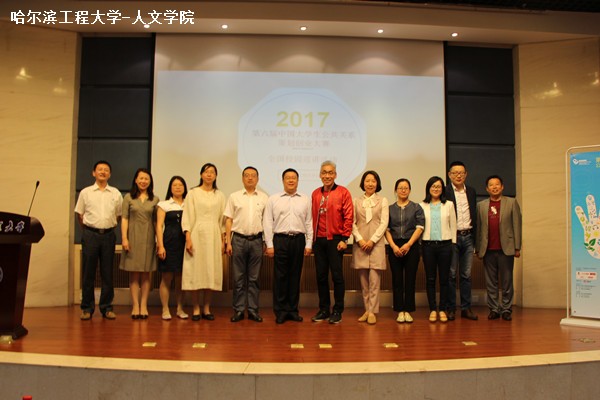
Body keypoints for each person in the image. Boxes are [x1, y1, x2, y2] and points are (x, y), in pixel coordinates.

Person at [263, 168, 313, 324]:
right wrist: (269, 244)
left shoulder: (305, 199)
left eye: (294, 178)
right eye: (288, 178)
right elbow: (267, 222)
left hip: (298, 240)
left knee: (295, 276)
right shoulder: (273, 199)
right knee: (280, 277)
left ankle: (292, 310)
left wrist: (309, 243)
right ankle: (280, 311)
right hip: (280, 240)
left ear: (298, 180)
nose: (291, 180)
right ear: (283, 180)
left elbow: (309, 222)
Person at [75, 160, 123, 320]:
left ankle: (106, 307)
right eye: (100, 169)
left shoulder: (115, 193)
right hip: (90, 235)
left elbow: (118, 215)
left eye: (106, 170)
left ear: (110, 174)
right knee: (88, 273)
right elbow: (80, 215)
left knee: (108, 273)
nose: (103, 172)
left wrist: (106, 227)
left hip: (109, 235)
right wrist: (90, 230)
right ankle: (87, 308)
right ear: (93, 173)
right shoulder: (86, 192)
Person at [310, 161, 354, 324]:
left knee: (337, 276)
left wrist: (344, 238)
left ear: (335, 175)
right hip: (319, 240)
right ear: (320, 175)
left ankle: (337, 310)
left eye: (330, 172)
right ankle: (324, 309)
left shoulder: (343, 192)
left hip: (335, 240)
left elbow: (349, 216)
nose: (327, 176)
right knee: (321, 276)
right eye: (324, 172)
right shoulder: (315, 194)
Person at [182, 163, 226, 321]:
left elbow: (222, 220)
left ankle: (206, 308)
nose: (209, 174)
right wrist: (188, 237)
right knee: (196, 270)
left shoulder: (219, 195)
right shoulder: (193, 193)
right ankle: (195, 308)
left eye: (212, 172)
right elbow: (187, 216)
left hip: (214, 235)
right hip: (197, 234)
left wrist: (223, 240)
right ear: (201, 174)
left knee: (210, 271)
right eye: (206, 172)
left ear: (216, 176)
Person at [224, 166, 269, 323]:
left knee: (254, 278)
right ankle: (238, 310)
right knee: (238, 278)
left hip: (256, 241)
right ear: (242, 178)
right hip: (238, 240)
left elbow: (267, 222)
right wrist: (228, 242)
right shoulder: (234, 196)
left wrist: (266, 242)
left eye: (253, 175)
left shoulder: (264, 198)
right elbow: (228, 220)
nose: (250, 178)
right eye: (247, 175)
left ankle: (252, 310)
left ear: (257, 179)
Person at [475, 175, 522, 321]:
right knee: (491, 282)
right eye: (491, 185)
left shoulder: (511, 202)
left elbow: (517, 225)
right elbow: (479, 228)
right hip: (488, 249)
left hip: (506, 248)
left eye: (497, 184)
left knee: (507, 281)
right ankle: (494, 309)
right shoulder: (481, 205)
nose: (494, 187)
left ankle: (506, 309)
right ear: (487, 189)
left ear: (502, 187)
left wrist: (517, 247)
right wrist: (478, 248)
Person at [120, 168, 159, 320]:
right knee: (134, 273)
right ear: (136, 180)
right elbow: (124, 218)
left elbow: (156, 222)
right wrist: (124, 238)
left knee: (146, 273)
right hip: (133, 238)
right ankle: (135, 305)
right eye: (141, 178)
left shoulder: (155, 199)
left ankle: (144, 305)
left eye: (146, 179)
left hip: (148, 239)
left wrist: (158, 240)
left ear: (150, 181)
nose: (143, 181)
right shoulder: (128, 198)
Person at [384, 178, 424, 324]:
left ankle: (409, 310)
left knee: (410, 279)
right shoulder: (389, 209)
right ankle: (400, 310)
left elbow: (420, 228)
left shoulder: (416, 207)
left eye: (406, 188)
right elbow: (386, 229)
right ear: (396, 190)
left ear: (410, 190)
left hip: (411, 245)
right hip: (394, 245)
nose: (403, 190)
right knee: (397, 279)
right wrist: (393, 246)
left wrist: (408, 244)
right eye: (400, 188)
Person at [352, 170, 389, 325]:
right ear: (363, 183)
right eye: (367, 181)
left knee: (374, 281)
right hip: (360, 245)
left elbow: (384, 223)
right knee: (364, 282)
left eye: (373, 181)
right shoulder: (356, 201)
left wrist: (372, 240)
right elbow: (352, 223)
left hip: (376, 245)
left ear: (377, 183)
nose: (370, 184)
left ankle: (372, 311)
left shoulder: (383, 201)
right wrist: (360, 240)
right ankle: (367, 310)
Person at [420, 176, 456, 323]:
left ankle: (442, 309)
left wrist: (453, 244)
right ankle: (432, 309)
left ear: (442, 189)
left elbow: (453, 225)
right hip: (428, 246)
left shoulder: (449, 205)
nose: (436, 189)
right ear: (428, 188)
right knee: (430, 279)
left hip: (445, 246)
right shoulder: (422, 205)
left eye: (438, 186)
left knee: (444, 279)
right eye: (433, 186)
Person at [445, 161, 478, 321]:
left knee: (466, 275)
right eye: (455, 173)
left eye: (461, 173)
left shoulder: (471, 191)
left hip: (469, 236)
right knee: (451, 274)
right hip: (453, 237)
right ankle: (451, 308)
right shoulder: (445, 192)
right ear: (449, 175)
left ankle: (466, 308)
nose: (458, 175)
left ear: (465, 174)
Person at [156, 176, 189, 321]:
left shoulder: (189, 204)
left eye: (180, 185)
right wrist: (160, 245)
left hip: (185, 244)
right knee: (167, 278)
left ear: (184, 188)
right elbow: (159, 226)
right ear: (170, 188)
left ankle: (180, 308)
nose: (178, 187)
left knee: (181, 279)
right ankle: (165, 309)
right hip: (169, 243)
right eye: (175, 185)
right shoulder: (164, 204)